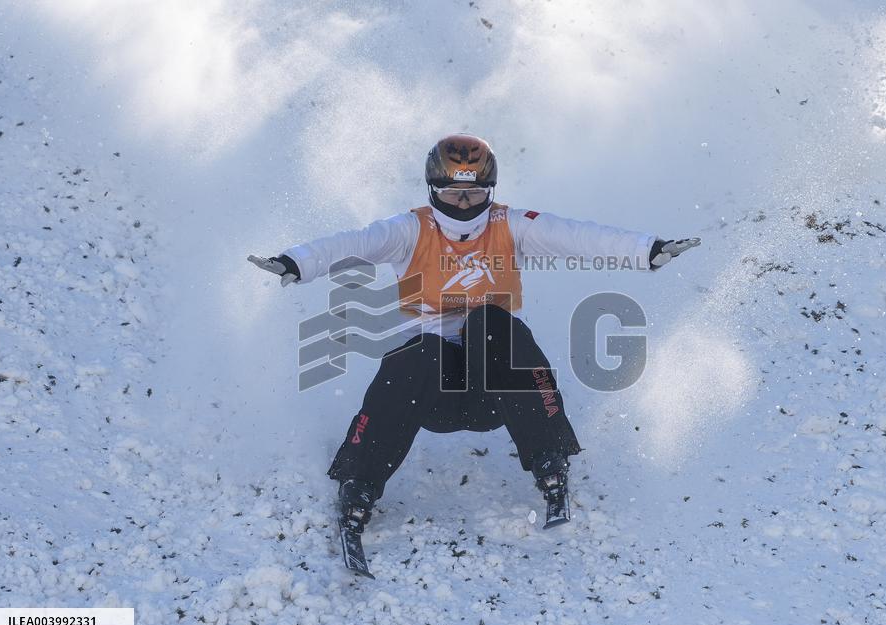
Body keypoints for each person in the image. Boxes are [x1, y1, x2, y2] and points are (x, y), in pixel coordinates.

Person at [249, 133, 700, 540]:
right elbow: (353, 242)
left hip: (494, 391)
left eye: (474, 193)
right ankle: (360, 482)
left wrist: (648, 250)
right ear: (433, 190)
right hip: (428, 393)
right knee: (420, 350)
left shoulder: (511, 224)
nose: (463, 204)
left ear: (490, 191)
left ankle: (549, 460)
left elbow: (577, 237)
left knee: (492, 321)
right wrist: (296, 261)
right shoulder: (410, 229)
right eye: (453, 193)